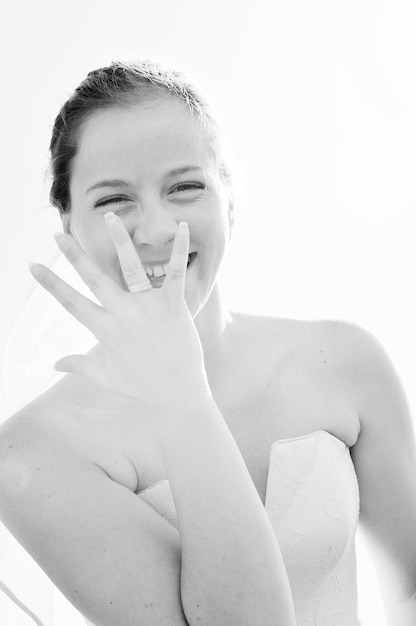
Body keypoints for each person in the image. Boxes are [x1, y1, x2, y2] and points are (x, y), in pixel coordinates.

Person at [0, 60, 415, 626]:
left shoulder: (343, 361)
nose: (155, 231)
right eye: (112, 200)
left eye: (186, 187)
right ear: (69, 227)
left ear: (229, 200)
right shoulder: (32, 451)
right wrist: (181, 396)